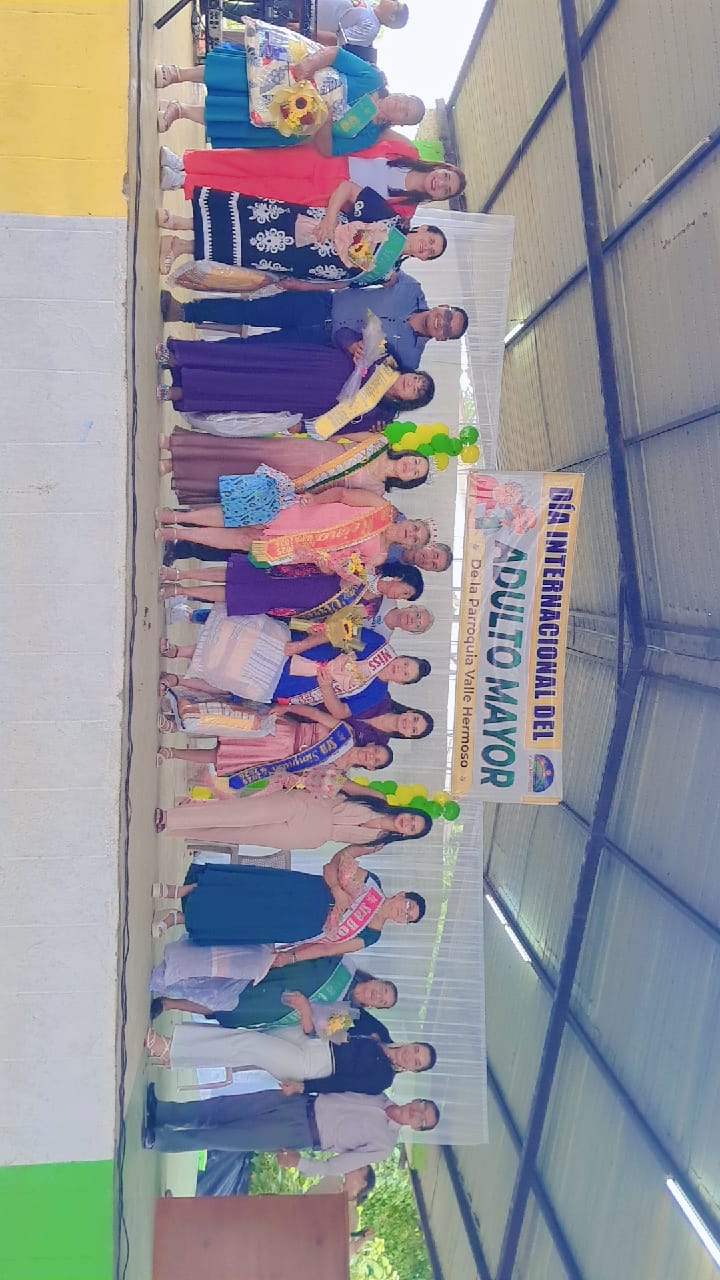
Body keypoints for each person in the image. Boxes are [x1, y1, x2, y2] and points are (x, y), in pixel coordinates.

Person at [156, 35, 421, 153]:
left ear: (400, 123)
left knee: (234, 115)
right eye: (406, 99)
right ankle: (177, 74)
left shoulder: (367, 134)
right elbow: (336, 54)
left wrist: (325, 124)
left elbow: (329, 150)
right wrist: (309, 65)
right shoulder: (372, 79)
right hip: (291, 76)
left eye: (406, 112)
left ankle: (179, 111)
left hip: (289, 120)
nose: (401, 104)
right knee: (232, 74)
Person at [162, 275, 469, 372]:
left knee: (253, 350)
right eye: (446, 316)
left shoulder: (410, 359)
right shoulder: (410, 288)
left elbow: (377, 377)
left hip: (323, 347)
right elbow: (375, 271)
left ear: (442, 339)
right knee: (249, 311)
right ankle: (185, 311)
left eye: (447, 329)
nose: (440, 323)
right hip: (319, 302)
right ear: (442, 306)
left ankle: (187, 355)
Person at [158, 185, 446, 286]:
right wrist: (330, 218)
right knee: (247, 222)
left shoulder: (387, 274)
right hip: (312, 227)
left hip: (302, 262)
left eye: (430, 252)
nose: (426, 247)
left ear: (423, 259)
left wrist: (303, 283)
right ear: (422, 228)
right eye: (431, 241)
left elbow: (343, 284)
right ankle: (179, 222)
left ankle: (180, 246)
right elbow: (347, 187)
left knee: (244, 252)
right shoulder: (388, 218)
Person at [151, 847, 426, 951]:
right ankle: (178, 891)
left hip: (300, 926)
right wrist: (338, 891)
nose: (403, 913)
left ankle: (177, 918)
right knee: (245, 893)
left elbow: (329, 949)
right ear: (401, 895)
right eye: (407, 906)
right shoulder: (371, 884)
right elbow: (333, 866)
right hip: (306, 893)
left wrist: (289, 956)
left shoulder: (372, 935)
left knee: (244, 918)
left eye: (407, 918)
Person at [155, 334, 435, 432]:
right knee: (243, 358)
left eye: (416, 391)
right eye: (417, 379)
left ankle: (180, 392)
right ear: (412, 372)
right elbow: (342, 332)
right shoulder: (386, 355)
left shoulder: (379, 415)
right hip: (303, 361)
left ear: (409, 401)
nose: (413, 384)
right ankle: (179, 358)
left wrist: (303, 428)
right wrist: (352, 344)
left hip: (299, 398)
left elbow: (340, 427)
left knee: (243, 389)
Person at [160, 141, 465, 220]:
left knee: (254, 189)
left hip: (327, 194)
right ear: (441, 167)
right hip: (325, 158)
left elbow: (365, 217)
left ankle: (183, 183)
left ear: (439, 198)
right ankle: (186, 162)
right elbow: (370, 135)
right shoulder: (407, 151)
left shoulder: (405, 210)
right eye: (445, 176)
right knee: (252, 159)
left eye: (446, 190)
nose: (441, 183)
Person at [142, 1084, 440, 1163]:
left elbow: (340, 1164)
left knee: (226, 1137)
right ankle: (164, 1113)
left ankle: (160, 1139)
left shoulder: (384, 1145)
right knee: (223, 1107)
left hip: (302, 1133)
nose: (416, 1113)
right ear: (416, 1100)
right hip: (298, 1101)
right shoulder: (377, 1093)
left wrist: (302, 1164)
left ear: (417, 1129)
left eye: (422, 1120)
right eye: (422, 1107)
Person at [145, 1019, 436, 1095]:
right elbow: (349, 1015)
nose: (411, 1056)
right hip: (314, 1037)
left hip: (313, 1066)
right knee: (248, 1037)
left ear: (412, 1070)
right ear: (412, 1043)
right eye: (416, 1050)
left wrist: (303, 1087)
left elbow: (342, 1085)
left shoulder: (382, 1079)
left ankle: (170, 1047)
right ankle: (178, 1057)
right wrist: (320, 1020)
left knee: (248, 1045)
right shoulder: (381, 1033)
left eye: (416, 1062)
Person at [158, 428, 430, 505]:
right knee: (243, 450)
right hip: (305, 451)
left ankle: (176, 469)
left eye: (416, 473)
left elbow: (341, 498)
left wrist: (311, 497)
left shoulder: (377, 491)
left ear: (409, 482)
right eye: (416, 461)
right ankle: (176, 445)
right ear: (409, 454)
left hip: (302, 482)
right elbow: (339, 434)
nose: (412, 467)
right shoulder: (379, 441)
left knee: (243, 479)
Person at [150, 949, 397, 1025]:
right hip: (280, 972)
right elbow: (315, 948)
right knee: (228, 973)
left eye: (382, 1002)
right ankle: (176, 973)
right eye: (384, 990)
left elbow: (312, 1032)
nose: (378, 996)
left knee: (223, 1008)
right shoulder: (344, 962)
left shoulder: (348, 1017)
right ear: (377, 980)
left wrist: (304, 1009)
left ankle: (168, 1003)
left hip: (275, 1007)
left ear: (375, 1007)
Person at [154, 785, 433, 848]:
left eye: (412, 828)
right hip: (311, 806)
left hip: (311, 837)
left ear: (406, 835)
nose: (407, 823)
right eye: (412, 818)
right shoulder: (379, 799)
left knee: (241, 834)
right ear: (408, 811)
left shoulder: (377, 843)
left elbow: (345, 858)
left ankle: (177, 828)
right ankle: (171, 817)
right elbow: (344, 783)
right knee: (245, 813)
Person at [312, 0, 409, 48]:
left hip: (308, 13)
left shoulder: (370, 29)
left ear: (391, 17)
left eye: (396, 4)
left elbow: (336, 40)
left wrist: (306, 31)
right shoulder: (369, 3)